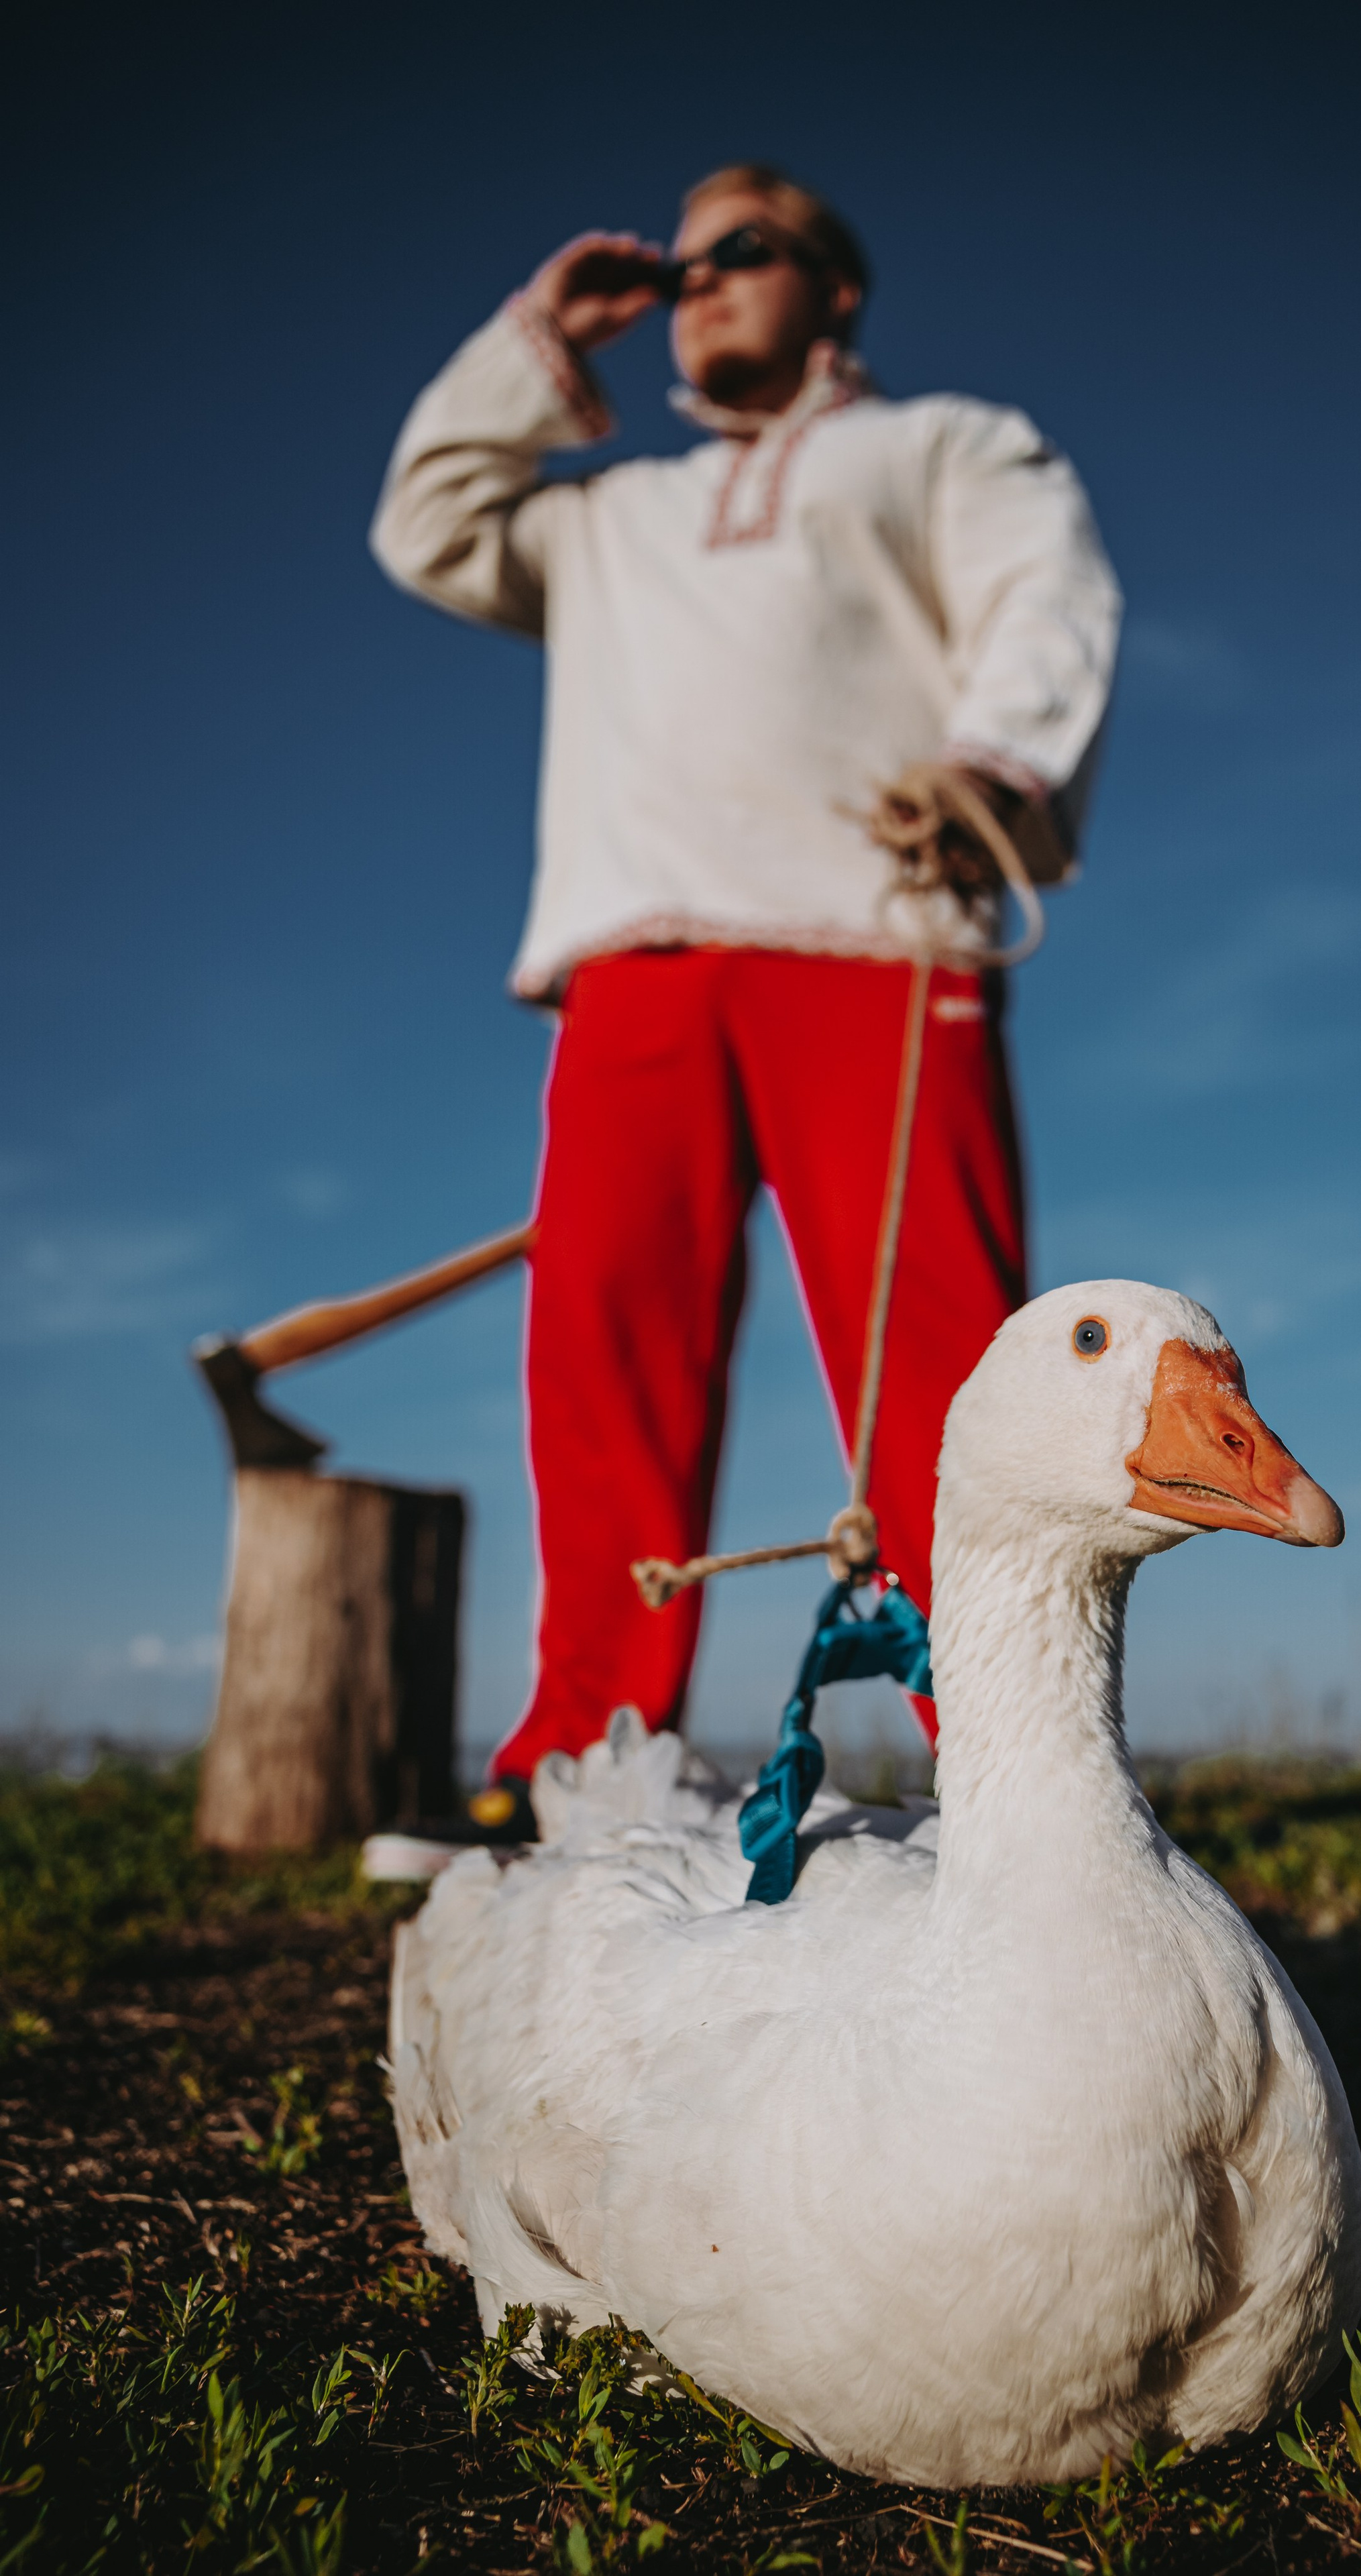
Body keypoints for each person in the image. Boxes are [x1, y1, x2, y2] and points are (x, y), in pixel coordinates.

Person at [370, 162, 1120, 1829]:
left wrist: (991, 766)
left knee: (941, 1349)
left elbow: (1044, 596)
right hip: (635, 956)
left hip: (872, 926)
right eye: (678, 262)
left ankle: (1009, 1761)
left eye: (743, 252)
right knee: (603, 1347)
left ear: (832, 286)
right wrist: (538, 339)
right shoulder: (604, 516)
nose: (701, 283)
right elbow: (424, 522)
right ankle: (590, 1756)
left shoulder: (937, 445)